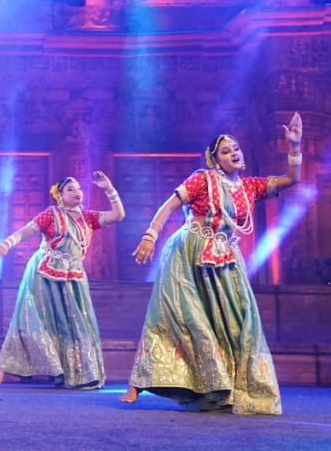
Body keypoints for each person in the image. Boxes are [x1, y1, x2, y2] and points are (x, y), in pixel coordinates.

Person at [120, 112, 304, 414]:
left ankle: (225, 386)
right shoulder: (202, 179)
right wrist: (150, 236)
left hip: (226, 258)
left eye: (236, 148)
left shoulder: (250, 187)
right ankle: (139, 383)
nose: (234, 153)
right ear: (215, 160)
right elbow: (170, 205)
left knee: (237, 321)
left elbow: (292, 180)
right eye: (226, 151)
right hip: (190, 252)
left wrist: (294, 146)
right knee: (186, 318)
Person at [0, 172, 124, 390]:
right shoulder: (51, 214)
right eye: (71, 189)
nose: (77, 192)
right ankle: (3, 369)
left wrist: (109, 189)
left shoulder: (87, 217)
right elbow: (27, 231)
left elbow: (117, 216)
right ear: (60, 195)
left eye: (79, 188)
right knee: (34, 318)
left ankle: (74, 372)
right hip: (45, 273)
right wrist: (8, 243)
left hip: (73, 276)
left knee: (74, 323)